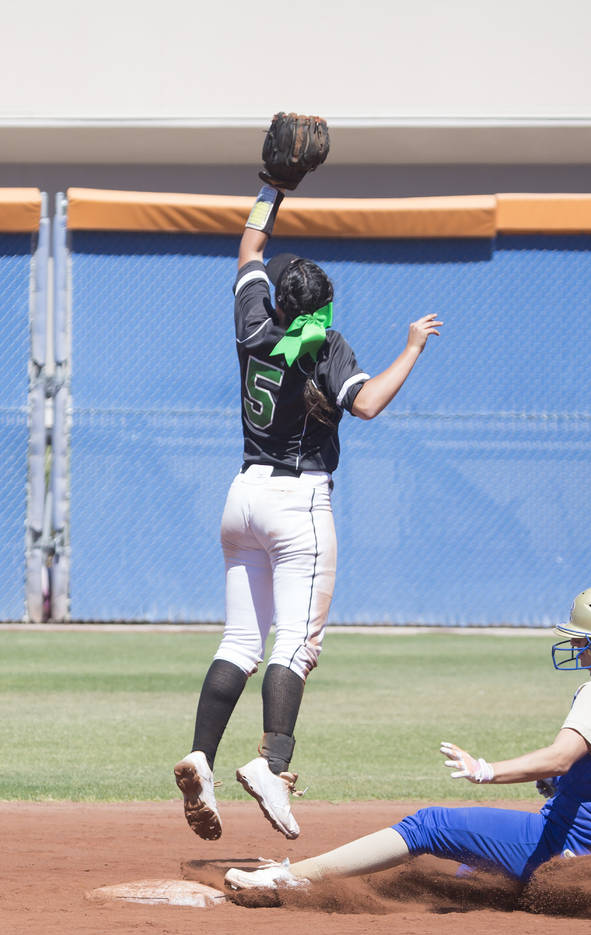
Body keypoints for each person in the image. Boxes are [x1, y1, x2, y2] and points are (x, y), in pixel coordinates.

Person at [175, 176, 443, 842]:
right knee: (295, 645)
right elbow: (370, 403)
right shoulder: (326, 344)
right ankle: (273, 764)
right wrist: (412, 345)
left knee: (241, 640)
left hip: (243, 498)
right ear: (321, 307)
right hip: (299, 500)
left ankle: (201, 759)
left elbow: (249, 249)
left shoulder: (254, 320)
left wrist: (272, 186)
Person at [223, 584, 591, 891]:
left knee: (429, 825)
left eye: (584, 640)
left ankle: (292, 876)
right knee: (468, 875)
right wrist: (571, 784)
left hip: (567, 850)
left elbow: (559, 757)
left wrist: (486, 771)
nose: (576, 647)